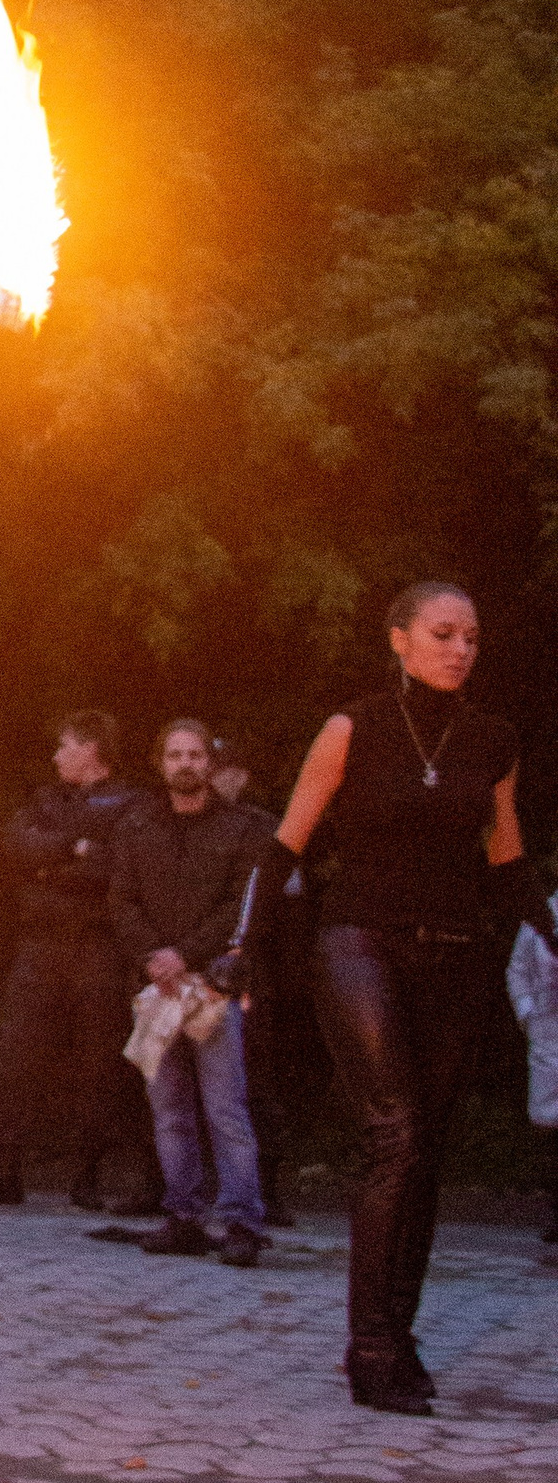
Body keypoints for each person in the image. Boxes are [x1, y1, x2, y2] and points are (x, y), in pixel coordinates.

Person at [273, 580, 535, 1416]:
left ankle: (401, 1332)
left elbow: (509, 861)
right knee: (395, 1131)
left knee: (425, 1152)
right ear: (399, 639)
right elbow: (285, 845)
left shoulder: (494, 739)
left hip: (456, 956)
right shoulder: (353, 727)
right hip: (360, 944)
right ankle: (372, 1348)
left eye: (471, 636)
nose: (460, 648)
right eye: (443, 632)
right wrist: (240, 952)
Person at [0, 710, 151, 1209]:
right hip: (39, 948)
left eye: (64, 746)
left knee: (99, 1064)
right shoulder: (45, 800)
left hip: (97, 947)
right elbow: (17, 848)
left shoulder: (130, 803)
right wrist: (72, 846)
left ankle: (88, 1176)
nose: (55, 755)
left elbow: (113, 871)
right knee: (17, 1057)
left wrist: (53, 866)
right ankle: (2, 1173)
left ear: (90, 749)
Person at [109, 718, 272, 1266]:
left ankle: (243, 1223)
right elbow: (121, 901)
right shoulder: (135, 827)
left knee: (226, 1109)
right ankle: (183, 1216)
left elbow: (239, 905)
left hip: (209, 988)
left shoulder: (241, 829)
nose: (185, 764)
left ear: (210, 762)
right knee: (169, 1111)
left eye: (195, 755)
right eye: (175, 755)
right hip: (156, 988)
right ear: (161, 763)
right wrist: (154, 956)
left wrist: (186, 955)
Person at [212, 734, 317, 1226]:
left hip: (259, 976)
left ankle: (267, 1190)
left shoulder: (265, 832)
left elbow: (291, 906)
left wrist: (281, 980)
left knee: (257, 1086)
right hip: (199, 971)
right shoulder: (180, 826)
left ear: (240, 776)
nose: (214, 778)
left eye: (223, 769)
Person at [505, 910, 558, 1250]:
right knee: (550, 1131)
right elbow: (517, 969)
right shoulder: (540, 918)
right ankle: (556, 1215)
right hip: (548, 1035)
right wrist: (527, 1013)